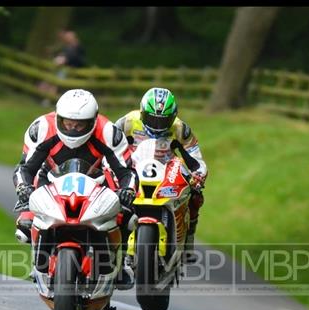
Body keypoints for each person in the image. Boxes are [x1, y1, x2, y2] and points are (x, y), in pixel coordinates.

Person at [12, 88, 138, 295]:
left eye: (80, 125)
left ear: (93, 121)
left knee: (127, 215)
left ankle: (119, 262)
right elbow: (24, 168)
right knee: (25, 224)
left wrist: (127, 191)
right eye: (67, 123)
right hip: (50, 177)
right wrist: (23, 188)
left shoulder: (108, 132)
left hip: (96, 179)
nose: (73, 129)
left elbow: (127, 172)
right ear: (58, 117)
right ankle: (39, 261)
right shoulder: (42, 128)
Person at [115, 87, 208, 261]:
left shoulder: (181, 129)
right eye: (152, 119)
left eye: (163, 121)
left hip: (167, 171)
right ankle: (114, 247)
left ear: (173, 117)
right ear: (143, 113)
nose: (157, 126)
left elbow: (196, 159)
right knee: (115, 196)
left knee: (196, 195)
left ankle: (188, 241)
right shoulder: (127, 122)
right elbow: (109, 147)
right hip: (134, 168)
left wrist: (199, 175)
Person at [38, 30, 86, 105]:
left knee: (55, 82)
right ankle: (42, 96)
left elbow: (75, 59)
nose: (67, 39)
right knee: (48, 79)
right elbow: (62, 55)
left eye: (69, 37)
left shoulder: (77, 47)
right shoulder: (67, 46)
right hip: (62, 68)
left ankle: (47, 100)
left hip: (71, 70)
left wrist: (65, 60)